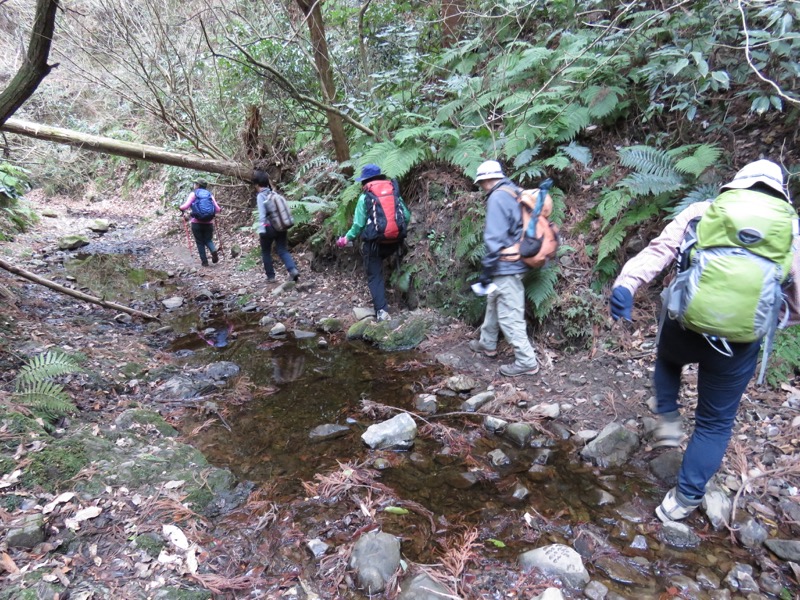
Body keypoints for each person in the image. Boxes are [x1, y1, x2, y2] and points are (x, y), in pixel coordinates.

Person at [610, 159, 800, 522]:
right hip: (738, 346)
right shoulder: (790, 229)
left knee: (667, 361)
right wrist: (771, 320)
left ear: (736, 184)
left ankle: (667, 417)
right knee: (714, 422)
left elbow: (660, 250)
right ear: (781, 193)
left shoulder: (705, 211)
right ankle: (681, 502)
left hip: (684, 326)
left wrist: (627, 283)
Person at [468, 160, 540, 377]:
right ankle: (487, 342)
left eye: (481, 183)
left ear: (487, 180)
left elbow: (495, 239)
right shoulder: (513, 191)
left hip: (507, 264)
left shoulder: (498, 197)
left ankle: (527, 361)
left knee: (510, 315)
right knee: (493, 300)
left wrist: (487, 271)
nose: (481, 187)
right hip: (516, 260)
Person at [336, 164, 411, 321]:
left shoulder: (366, 197)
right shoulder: (393, 191)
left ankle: (382, 312)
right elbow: (406, 215)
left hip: (375, 245)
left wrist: (346, 239)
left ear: (365, 181)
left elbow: (358, 225)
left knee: (375, 276)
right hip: (396, 242)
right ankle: (402, 303)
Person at [254, 170, 299, 283]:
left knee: (265, 252)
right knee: (282, 250)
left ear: (257, 184)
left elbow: (262, 214)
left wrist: (261, 229)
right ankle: (292, 270)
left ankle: (271, 277)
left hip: (269, 227)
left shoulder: (261, 196)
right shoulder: (274, 194)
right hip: (281, 225)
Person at [180, 180, 221, 267]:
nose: (194, 185)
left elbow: (185, 206)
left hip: (196, 223)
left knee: (199, 242)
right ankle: (213, 250)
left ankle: (204, 262)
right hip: (209, 222)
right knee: (208, 240)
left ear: (198, 185)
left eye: (195, 184)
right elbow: (217, 209)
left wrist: (180, 208)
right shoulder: (209, 194)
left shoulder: (194, 194)